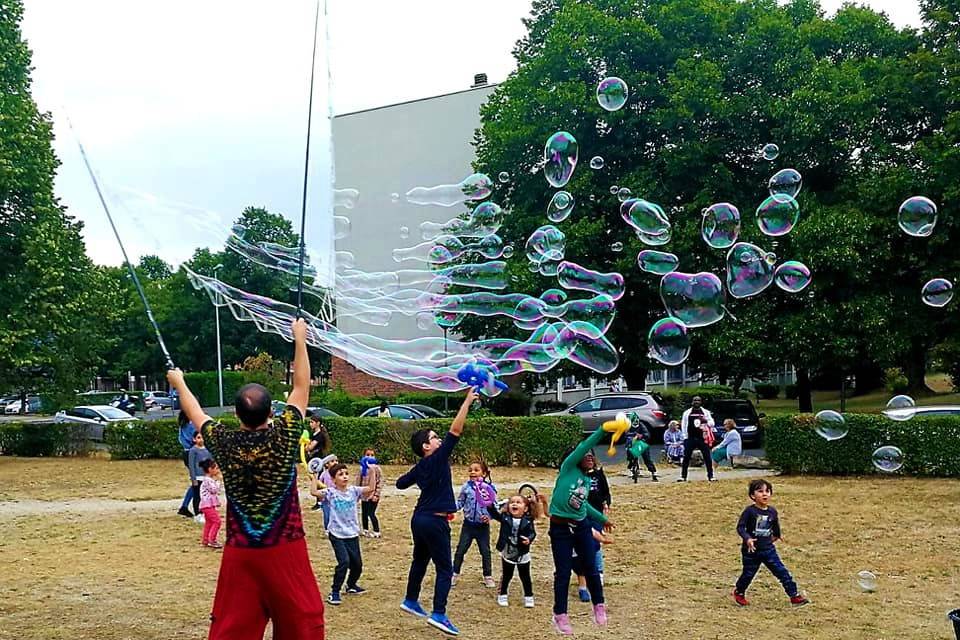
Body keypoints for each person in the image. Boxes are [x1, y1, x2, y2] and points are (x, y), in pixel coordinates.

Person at [167, 318, 326, 640]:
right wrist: (300, 338)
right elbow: (301, 387)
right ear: (272, 413)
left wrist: (179, 382)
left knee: (233, 627)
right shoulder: (286, 432)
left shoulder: (222, 441)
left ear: (236, 415)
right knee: (302, 623)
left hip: (241, 552)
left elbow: (195, 411)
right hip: (286, 548)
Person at [396, 388, 479, 637]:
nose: (439, 440)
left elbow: (400, 483)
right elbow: (455, 431)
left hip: (419, 519)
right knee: (445, 568)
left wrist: (418, 473)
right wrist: (467, 400)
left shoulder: (422, 465)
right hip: (434, 521)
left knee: (420, 560)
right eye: (434, 437)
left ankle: (411, 599)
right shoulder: (437, 458)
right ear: (426, 446)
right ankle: (439, 614)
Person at [548, 427, 612, 636]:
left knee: (591, 567)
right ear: (574, 459)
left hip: (582, 526)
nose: (590, 457)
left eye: (592, 456)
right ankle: (560, 614)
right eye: (585, 455)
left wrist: (603, 519)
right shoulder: (568, 469)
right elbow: (584, 446)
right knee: (563, 572)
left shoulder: (585, 480)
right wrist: (603, 430)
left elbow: (584, 506)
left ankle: (599, 605)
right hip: (560, 528)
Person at [733, 479, 810, 608]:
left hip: (768, 550)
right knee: (748, 574)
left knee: (782, 572)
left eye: (767, 491)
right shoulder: (749, 512)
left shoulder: (772, 512)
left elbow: (775, 527)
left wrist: (777, 536)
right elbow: (740, 527)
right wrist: (748, 539)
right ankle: (739, 591)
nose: (764, 494)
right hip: (751, 552)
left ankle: (794, 595)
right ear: (752, 496)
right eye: (760, 491)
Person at [311, 462, 375, 605]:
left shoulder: (353, 491)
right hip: (337, 534)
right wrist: (314, 476)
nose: (345, 477)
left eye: (346, 474)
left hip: (352, 534)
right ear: (333, 480)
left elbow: (370, 488)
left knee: (357, 565)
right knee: (344, 562)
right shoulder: (331, 493)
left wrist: (372, 471)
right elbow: (314, 492)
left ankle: (351, 585)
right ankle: (334, 592)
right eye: (340, 475)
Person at [485, 493, 548, 607]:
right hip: (508, 551)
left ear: (525, 508)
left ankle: (529, 597)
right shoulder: (505, 518)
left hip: (523, 552)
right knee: (507, 575)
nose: (514, 504)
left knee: (525, 576)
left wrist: (528, 540)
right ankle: (503, 594)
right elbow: (494, 514)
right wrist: (489, 504)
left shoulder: (528, 520)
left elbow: (532, 533)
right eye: (512, 502)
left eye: (518, 502)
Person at [452, 460, 497, 588]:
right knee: (460, 550)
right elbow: (460, 502)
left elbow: (495, 507)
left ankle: (488, 576)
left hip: (482, 527)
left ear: (484, 474)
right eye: (470, 470)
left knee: (485, 552)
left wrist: (489, 517)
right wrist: (449, 508)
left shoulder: (489, 489)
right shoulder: (466, 488)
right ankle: (454, 574)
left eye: (476, 470)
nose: (472, 472)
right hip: (468, 525)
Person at [678, 396, 717, 482]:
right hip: (690, 438)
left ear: (701, 402)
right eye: (695, 400)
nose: (696, 402)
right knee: (686, 457)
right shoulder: (687, 413)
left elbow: (712, 423)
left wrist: (706, 421)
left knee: (707, 457)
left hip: (702, 438)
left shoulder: (705, 412)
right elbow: (684, 425)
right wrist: (685, 437)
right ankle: (683, 476)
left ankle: (711, 476)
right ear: (692, 402)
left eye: (698, 400)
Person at [357, 448, 383, 538]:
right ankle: (365, 529)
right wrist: (357, 494)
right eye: (367, 455)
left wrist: (376, 494)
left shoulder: (377, 469)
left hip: (373, 496)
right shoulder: (361, 469)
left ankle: (376, 531)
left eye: (372, 455)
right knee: (364, 513)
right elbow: (358, 482)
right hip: (364, 495)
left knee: (371, 513)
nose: (369, 457)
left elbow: (379, 482)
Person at [625, 413, 659, 482]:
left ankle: (653, 472)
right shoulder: (627, 426)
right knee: (630, 452)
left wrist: (642, 436)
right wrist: (634, 435)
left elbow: (647, 434)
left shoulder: (641, 425)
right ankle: (631, 464)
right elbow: (626, 434)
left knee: (647, 459)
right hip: (633, 443)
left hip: (642, 443)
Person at [188, 431, 213, 523]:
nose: (201, 439)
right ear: (194, 439)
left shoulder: (207, 450)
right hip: (198, 478)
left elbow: (211, 462)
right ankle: (197, 514)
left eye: (202, 437)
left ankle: (204, 513)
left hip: (206, 477)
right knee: (197, 496)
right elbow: (191, 465)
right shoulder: (193, 450)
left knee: (205, 497)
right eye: (198, 437)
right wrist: (193, 478)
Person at [198, 458, 223, 549]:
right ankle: (212, 540)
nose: (218, 470)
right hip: (207, 505)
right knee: (217, 521)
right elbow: (214, 490)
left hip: (207, 505)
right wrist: (219, 481)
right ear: (210, 469)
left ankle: (205, 540)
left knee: (209, 522)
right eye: (216, 468)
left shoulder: (208, 480)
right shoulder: (207, 480)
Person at [177, 410, 197, 517]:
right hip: (193, 453)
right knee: (198, 481)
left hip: (186, 453)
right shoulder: (191, 424)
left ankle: (185, 506)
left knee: (197, 480)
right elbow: (196, 438)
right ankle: (188, 507)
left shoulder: (183, 424)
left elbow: (180, 439)